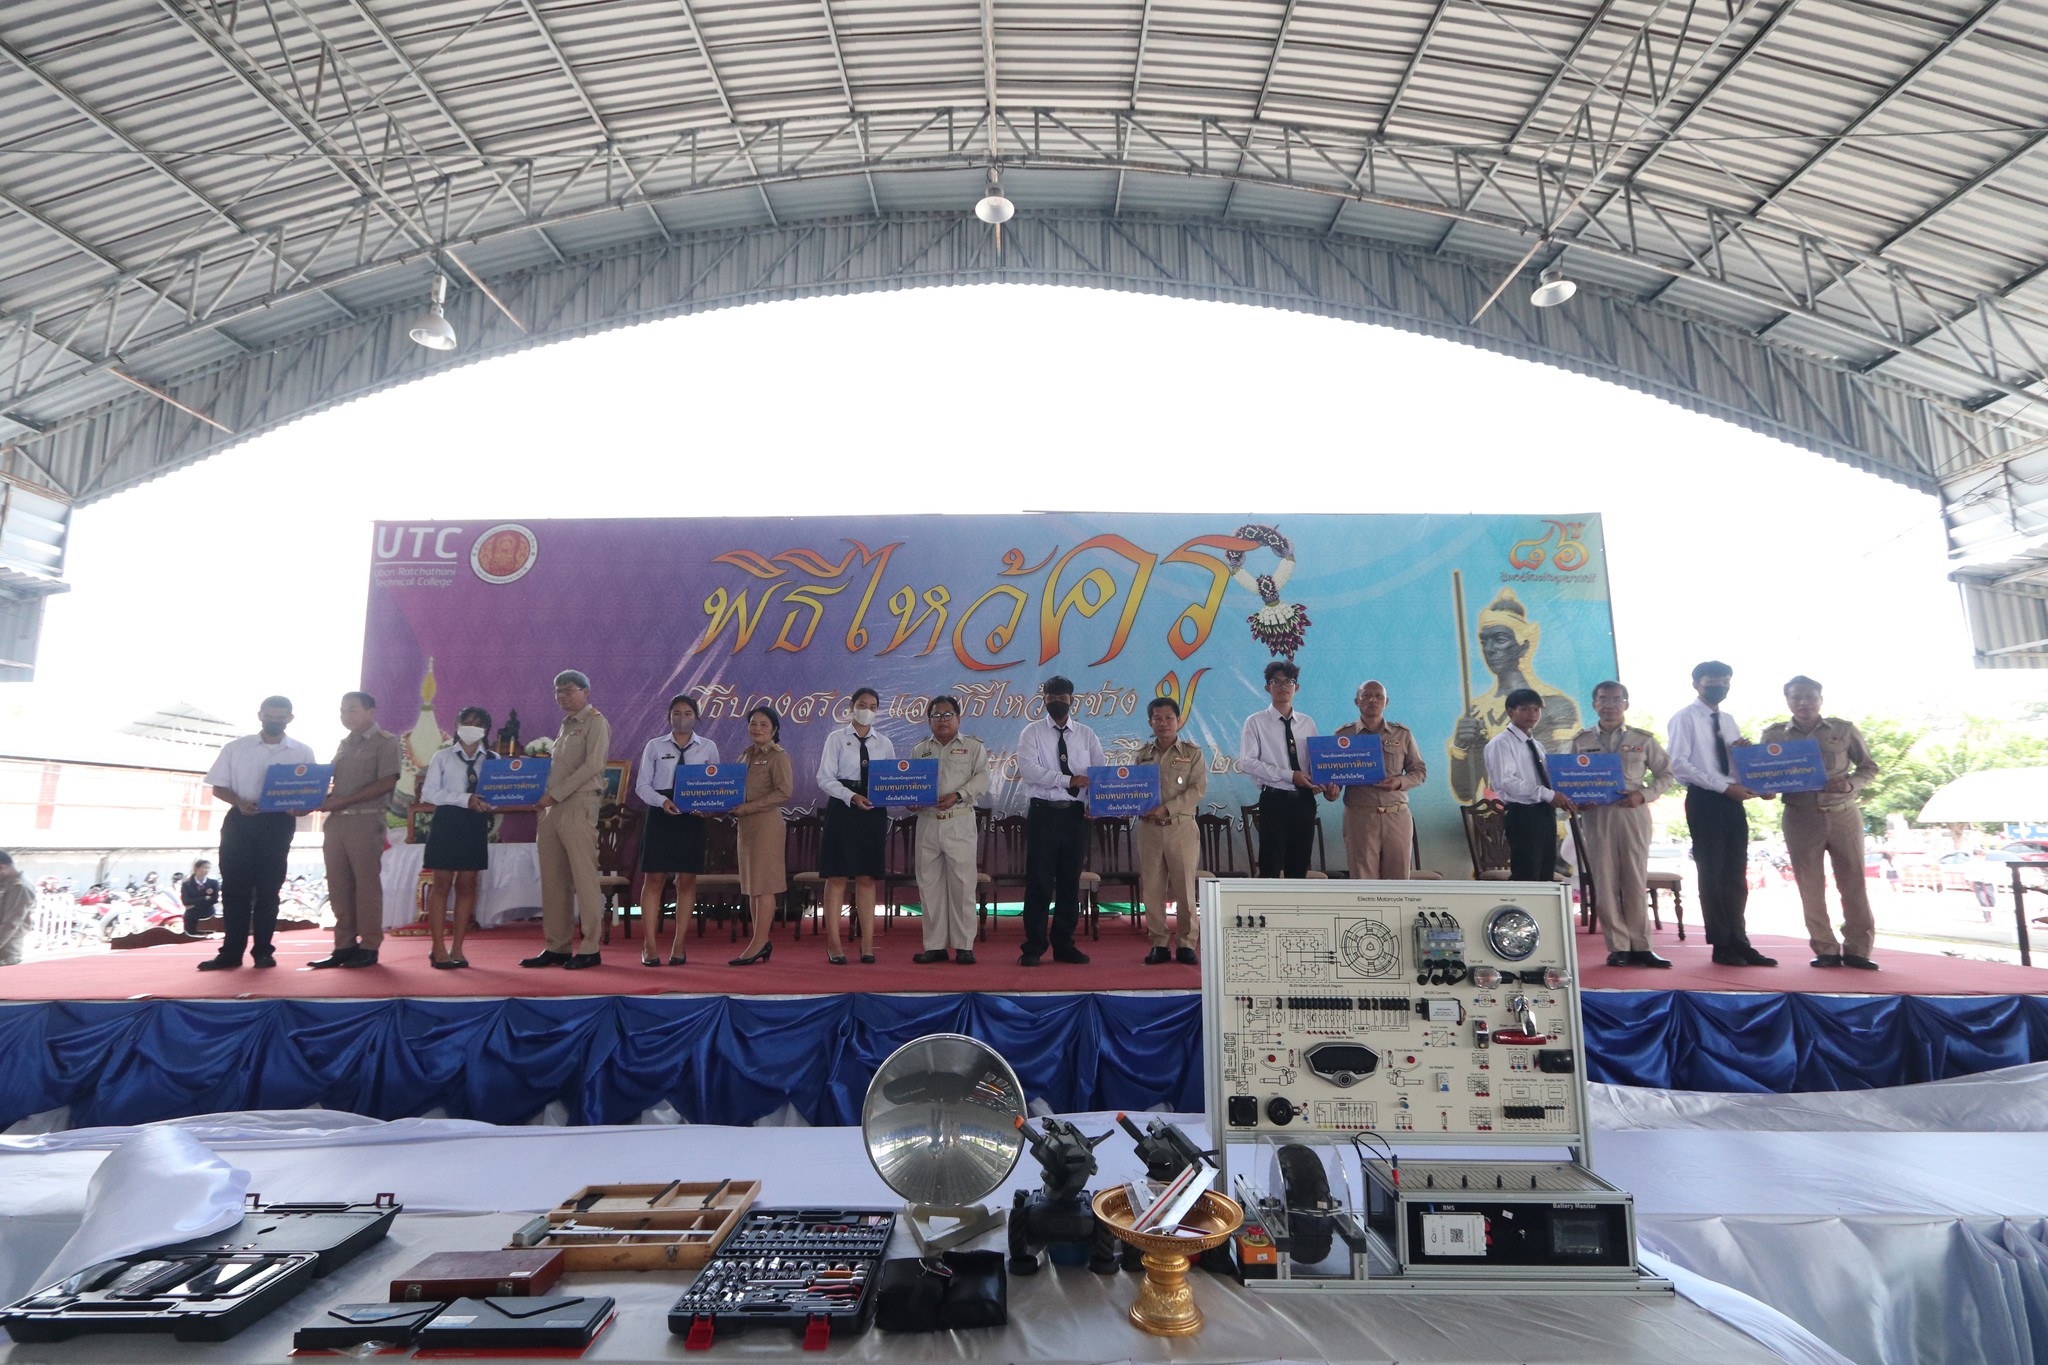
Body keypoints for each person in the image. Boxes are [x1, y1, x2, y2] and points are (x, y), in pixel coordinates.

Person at [1761, 677, 1881, 970]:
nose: (1803, 703)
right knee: (1809, 885)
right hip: (1800, 816)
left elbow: (1869, 767)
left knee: (1853, 882)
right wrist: (1765, 789)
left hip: (1843, 814)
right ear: (1787, 701)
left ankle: (1858, 950)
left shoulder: (1843, 730)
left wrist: (1851, 784)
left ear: (1820, 699)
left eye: (1810, 697)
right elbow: (1765, 776)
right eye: (1796, 697)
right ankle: (1825, 948)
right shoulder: (1774, 735)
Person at [1666, 661, 1777, 967]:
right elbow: (1680, 764)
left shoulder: (1728, 720)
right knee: (1712, 873)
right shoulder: (1684, 718)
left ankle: (1740, 941)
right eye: (1712, 681)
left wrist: (1755, 778)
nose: (1720, 686)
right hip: (1705, 799)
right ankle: (1721, 944)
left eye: (1725, 681)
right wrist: (1723, 787)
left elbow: (1733, 765)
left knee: (1735, 872)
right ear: (1696, 684)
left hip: (1732, 800)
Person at [199, 696, 316, 971]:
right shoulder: (236, 748)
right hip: (240, 821)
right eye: (269, 716)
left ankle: (263, 952)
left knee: (268, 890)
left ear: (290, 718)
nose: (274, 721)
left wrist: (302, 807)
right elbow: (218, 787)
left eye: (280, 717)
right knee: (234, 890)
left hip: (278, 824)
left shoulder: (302, 752)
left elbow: (310, 790)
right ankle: (230, 953)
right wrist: (239, 802)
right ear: (260, 715)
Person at [1568, 682, 1675, 967]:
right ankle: (1618, 946)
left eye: (1616, 699)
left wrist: (1644, 795)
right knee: (1604, 880)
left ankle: (1642, 946)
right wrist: (1579, 799)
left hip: (1633, 812)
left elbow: (1666, 774)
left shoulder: (1643, 739)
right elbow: (1568, 777)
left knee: (1634, 879)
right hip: (1597, 815)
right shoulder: (1581, 741)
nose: (1610, 705)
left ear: (1626, 704)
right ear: (1595, 704)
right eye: (1603, 699)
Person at [1447, 588, 1580, 804]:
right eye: (1484, 641)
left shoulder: (1556, 704)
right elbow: (1465, 792)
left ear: (1523, 645)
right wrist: (1460, 748)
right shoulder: (1476, 712)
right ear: (1510, 712)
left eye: (1500, 639)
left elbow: (1562, 776)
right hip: (1501, 814)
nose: (1490, 649)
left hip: (1547, 810)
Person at [523, 670, 613, 970]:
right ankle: (557, 946)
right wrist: (540, 795)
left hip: (577, 804)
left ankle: (590, 948)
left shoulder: (596, 722)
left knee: (584, 879)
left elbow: (593, 766)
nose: (562, 695)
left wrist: (554, 795)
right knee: (553, 880)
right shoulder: (565, 726)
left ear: (585, 692)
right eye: (558, 691)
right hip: (552, 808)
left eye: (568, 690)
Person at [1016, 675, 1103, 966]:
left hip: (1075, 817)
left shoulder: (1087, 735)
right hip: (1044, 814)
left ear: (1071, 701)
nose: (1056, 702)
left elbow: (1099, 774)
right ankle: (1033, 946)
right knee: (1039, 882)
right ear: (1044, 700)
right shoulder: (1032, 732)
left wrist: (1094, 804)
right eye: (1050, 698)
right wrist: (1068, 780)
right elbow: (1029, 770)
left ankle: (1064, 945)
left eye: (1061, 698)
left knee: (1069, 883)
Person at [311, 691, 402, 969]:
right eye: (342, 711)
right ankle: (344, 945)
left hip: (366, 820)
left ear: (370, 712)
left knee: (366, 886)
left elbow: (387, 782)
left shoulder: (385, 742)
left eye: (352, 710)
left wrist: (343, 801)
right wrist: (311, 800)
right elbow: (336, 785)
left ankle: (369, 945)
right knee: (338, 885)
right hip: (337, 822)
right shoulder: (344, 744)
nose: (346, 716)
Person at [634, 694, 717, 968]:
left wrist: (707, 807)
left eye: (688, 713)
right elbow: (642, 785)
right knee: (654, 879)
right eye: (676, 713)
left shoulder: (708, 747)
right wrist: (662, 801)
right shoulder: (654, 746)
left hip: (692, 818)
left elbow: (714, 785)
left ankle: (679, 943)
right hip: (661, 813)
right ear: (669, 716)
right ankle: (649, 944)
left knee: (686, 881)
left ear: (697, 717)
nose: (682, 718)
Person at [908, 696, 991, 965]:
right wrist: (910, 800)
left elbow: (982, 778)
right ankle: (935, 946)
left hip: (959, 820)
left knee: (963, 885)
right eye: (936, 715)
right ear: (928, 720)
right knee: (929, 886)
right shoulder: (920, 749)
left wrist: (958, 795)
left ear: (958, 718)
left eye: (947, 715)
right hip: (927, 822)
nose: (942, 720)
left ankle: (964, 946)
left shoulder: (973, 746)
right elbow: (911, 783)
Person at [816, 688, 895, 965]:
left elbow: (891, 779)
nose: (867, 710)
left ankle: (868, 945)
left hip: (873, 810)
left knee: (867, 877)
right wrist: (851, 796)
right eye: (862, 704)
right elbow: (825, 778)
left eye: (873, 706)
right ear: (851, 707)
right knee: (837, 877)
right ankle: (834, 944)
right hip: (843, 808)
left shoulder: (884, 743)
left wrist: (902, 795)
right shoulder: (836, 738)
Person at [1240, 660, 1335, 878]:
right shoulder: (1255, 722)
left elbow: (1314, 762)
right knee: (1270, 865)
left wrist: (1324, 783)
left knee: (1299, 866)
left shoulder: (1307, 723)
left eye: (1288, 681)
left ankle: (1297, 901)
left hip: (1304, 802)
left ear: (1296, 687)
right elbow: (1247, 762)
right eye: (1276, 682)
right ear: (1268, 687)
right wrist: (1290, 776)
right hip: (1274, 801)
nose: (1283, 686)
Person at [418, 705, 495, 968]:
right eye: (466, 721)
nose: (472, 727)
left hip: (475, 824)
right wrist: (465, 799)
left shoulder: (493, 759)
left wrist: (490, 802)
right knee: (441, 884)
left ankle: (458, 948)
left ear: (486, 729)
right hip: (447, 822)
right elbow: (429, 793)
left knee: (467, 885)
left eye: (478, 723)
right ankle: (438, 948)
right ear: (457, 725)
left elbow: (498, 793)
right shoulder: (442, 756)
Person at [1134, 696, 1207, 965]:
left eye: (1168, 718)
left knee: (1185, 888)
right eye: (1157, 718)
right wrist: (1127, 804)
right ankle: (1159, 944)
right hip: (1149, 830)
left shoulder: (1192, 753)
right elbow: (1133, 789)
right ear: (1150, 722)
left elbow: (1197, 789)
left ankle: (1186, 944)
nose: (1163, 723)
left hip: (1181, 828)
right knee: (1152, 890)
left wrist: (1167, 809)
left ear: (1178, 720)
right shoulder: (1142, 754)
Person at [1332, 680, 1428, 879]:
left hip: (1397, 815)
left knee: (1398, 880)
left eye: (1378, 696)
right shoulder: (1344, 736)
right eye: (1366, 695)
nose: (1372, 700)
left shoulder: (1402, 734)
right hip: (1360, 817)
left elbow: (1419, 771)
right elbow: (1335, 778)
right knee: (1363, 879)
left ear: (1386, 702)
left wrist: (1399, 782)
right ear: (1357, 701)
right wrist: (1330, 790)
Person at [1483, 688, 1577, 882]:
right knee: (1527, 874)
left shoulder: (1537, 745)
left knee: (1545, 873)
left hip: (1545, 813)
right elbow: (1506, 782)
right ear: (1510, 711)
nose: (1532, 714)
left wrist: (1570, 795)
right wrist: (1548, 794)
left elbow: (1548, 780)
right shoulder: (1502, 743)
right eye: (1525, 709)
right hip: (1522, 814)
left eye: (1536, 709)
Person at [729, 706, 793, 966]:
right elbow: (733, 790)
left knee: (764, 886)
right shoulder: (745, 755)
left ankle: (758, 942)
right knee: (753, 886)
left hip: (766, 825)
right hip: (746, 826)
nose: (757, 728)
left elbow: (784, 791)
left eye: (764, 724)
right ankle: (761, 941)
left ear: (774, 729)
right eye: (753, 723)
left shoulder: (778, 756)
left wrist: (749, 807)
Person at [0, 850, 31, 966]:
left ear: (1, 867)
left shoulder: (19, 887)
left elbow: (11, 923)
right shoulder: (7, 883)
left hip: (5, 952)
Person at [180, 859, 219, 936]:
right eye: (205, 867)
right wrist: (204, 898)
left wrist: (194, 904)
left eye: (209, 868)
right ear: (197, 868)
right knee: (190, 938)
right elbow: (186, 901)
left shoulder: (213, 883)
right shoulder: (187, 884)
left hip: (208, 915)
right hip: (192, 917)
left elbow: (214, 899)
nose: (207, 870)